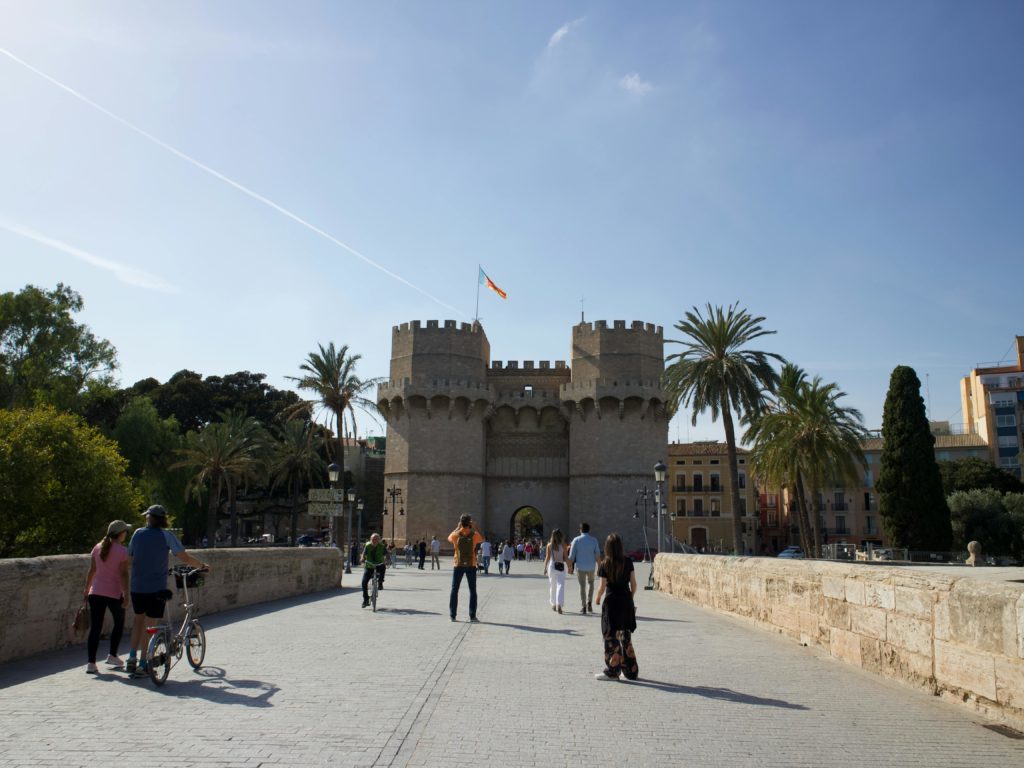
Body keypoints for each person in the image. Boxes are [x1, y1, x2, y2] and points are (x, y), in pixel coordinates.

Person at [126, 505, 210, 677]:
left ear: (149, 518)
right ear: (162, 519)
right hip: (156, 588)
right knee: (150, 627)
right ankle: (144, 663)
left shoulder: (137, 534)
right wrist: (202, 566)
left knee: (138, 621)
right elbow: (184, 557)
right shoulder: (166, 536)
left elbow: (129, 559)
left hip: (137, 587)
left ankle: (131, 658)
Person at [82, 520, 131, 673]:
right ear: (120, 534)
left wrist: (86, 589)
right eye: (125, 532)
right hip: (113, 592)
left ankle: (91, 663)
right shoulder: (123, 551)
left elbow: (92, 570)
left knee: (95, 627)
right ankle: (112, 654)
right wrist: (126, 594)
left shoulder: (97, 548)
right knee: (119, 622)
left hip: (96, 592)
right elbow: (123, 574)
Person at [594, 533, 638, 681]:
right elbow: (634, 585)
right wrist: (630, 599)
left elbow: (602, 586)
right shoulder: (628, 562)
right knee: (625, 635)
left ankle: (613, 671)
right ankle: (630, 671)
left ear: (607, 548)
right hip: (626, 601)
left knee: (610, 636)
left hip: (611, 602)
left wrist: (598, 598)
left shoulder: (605, 564)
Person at [448, 514, 484, 622]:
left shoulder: (456, 535)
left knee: (455, 590)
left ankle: (453, 615)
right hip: (471, 564)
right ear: (470, 523)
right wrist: (476, 527)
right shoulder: (474, 535)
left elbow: (449, 537)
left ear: (461, 522)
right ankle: (472, 616)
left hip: (458, 564)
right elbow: (482, 539)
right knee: (472, 590)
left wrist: (457, 528)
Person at [569, 522, 603, 614]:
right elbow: (598, 555)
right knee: (591, 584)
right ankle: (589, 603)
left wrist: (569, 567)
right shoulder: (594, 540)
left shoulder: (576, 540)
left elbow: (571, 556)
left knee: (582, 586)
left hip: (580, 567)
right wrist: (600, 567)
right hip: (591, 566)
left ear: (580, 530)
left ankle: (583, 606)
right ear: (589, 530)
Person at [543, 529, 567, 614]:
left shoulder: (549, 545)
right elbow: (566, 558)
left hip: (552, 566)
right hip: (560, 566)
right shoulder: (563, 545)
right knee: (560, 586)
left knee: (552, 586)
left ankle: (553, 604)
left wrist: (545, 568)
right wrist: (570, 567)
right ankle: (559, 604)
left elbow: (547, 557)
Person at [361, 533, 387, 608]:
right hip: (369, 565)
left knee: (383, 567)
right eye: (373, 539)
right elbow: (363, 553)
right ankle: (365, 599)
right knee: (364, 582)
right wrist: (362, 558)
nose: (374, 541)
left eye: (376, 539)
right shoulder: (367, 545)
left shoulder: (382, 546)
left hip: (379, 564)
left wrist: (386, 559)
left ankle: (380, 582)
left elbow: (386, 554)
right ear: (370, 539)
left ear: (379, 540)